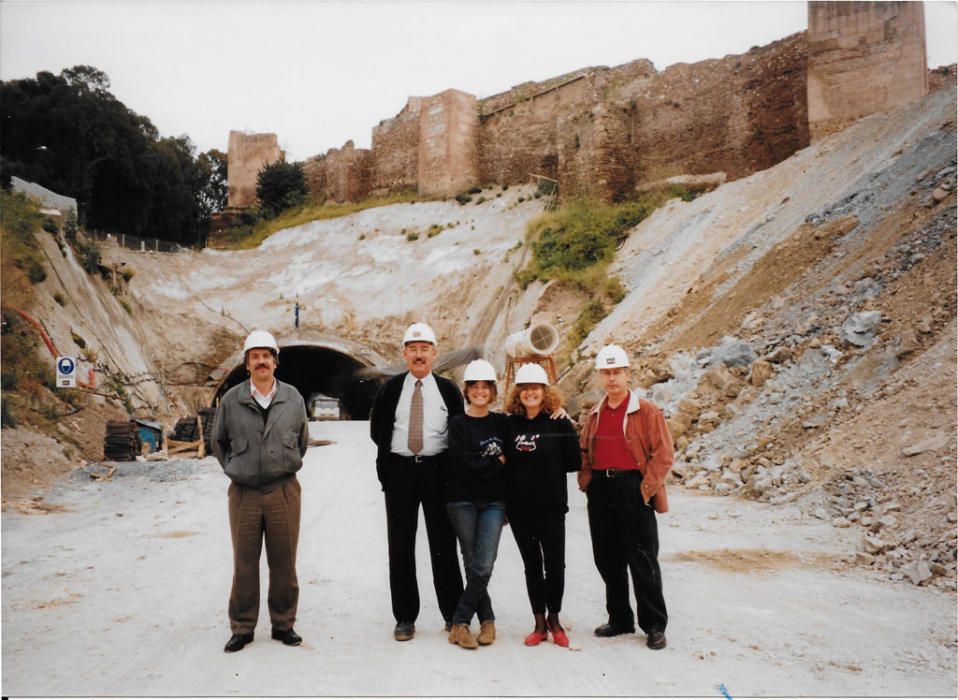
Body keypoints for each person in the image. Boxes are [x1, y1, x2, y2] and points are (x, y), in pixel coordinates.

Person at [212, 330, 309, 653]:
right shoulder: (231, 400)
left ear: (275, 362)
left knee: (284, 560)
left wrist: (284, 463)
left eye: (267, 355)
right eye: (255, 356)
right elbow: (218, 442)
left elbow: (302, 440)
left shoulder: (293, 398)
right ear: (247, 363)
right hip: (244, 493)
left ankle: (284, 624)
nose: (261, 361)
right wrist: (236, 470)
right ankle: (242, 627)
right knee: (244, 561)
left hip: (283, 490)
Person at [369, 322, 465, 641]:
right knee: (400, 545)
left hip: (438, 472)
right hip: (400, 472)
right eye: (413, 349)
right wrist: (391, 465)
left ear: (435, 354)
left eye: (425, 349)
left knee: (443, 544)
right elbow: (377, 430)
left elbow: (459, 432)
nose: (419, 354)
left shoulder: (448, 390)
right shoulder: (392, 389)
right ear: (404, 354)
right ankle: (405, 618)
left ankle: (452, 614)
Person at [577, 343, 673, 650]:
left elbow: (663, 454)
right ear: (600, 376)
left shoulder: (646, 411)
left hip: (633, 487)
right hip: (602, 490)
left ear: (627, 373)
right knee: (607, 557)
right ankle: (620, 618)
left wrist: (646, 489)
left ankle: (654, 625)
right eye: (606, 373)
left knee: (642, 558)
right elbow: (583, 450)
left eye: (617, 372)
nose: (612, 378)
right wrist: (587, 481)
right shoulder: (595, 412)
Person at [504, 362, 580, 648]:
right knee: (532, 565)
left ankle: (555, 620)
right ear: (518, 393)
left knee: (555, 565)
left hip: (551, 507)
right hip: (520, 509)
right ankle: (539, 624)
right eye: (525, 389)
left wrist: (568, 424)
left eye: (535, 388)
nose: (530, 393)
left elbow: (574, 462)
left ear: (544, 391)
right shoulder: (509, 424)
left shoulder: (558, 422)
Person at [444, 359, 509, 650]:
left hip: (494, 502)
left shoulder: (502, 423)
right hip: (462, 501)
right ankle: (487, 620)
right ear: (467, 391)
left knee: (483, 565)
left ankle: (459, 622)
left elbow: (484, 464)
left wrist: (481, 464)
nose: (480, 392)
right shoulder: (458, 424)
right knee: (472, 564)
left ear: (493, 391)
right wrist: (495, 461)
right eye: (475, 387)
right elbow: (461, 466)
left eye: (485, 387)